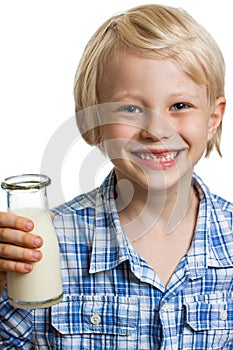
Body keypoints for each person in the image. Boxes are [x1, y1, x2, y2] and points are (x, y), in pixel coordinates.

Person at [0, 3, 232, 349]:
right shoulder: (43, 247)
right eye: (131, 109)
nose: (156, 130)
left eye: (179, 106)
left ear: (213, 117)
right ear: (91, 122)